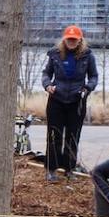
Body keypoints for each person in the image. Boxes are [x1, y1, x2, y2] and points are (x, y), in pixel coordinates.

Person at [42, 25, 98, 181]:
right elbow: (46, 73)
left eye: (74, 39)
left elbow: (93, 76)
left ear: (80, 40)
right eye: (69, 39)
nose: (71, 42)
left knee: (72, 137)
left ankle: (69, 168)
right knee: (54, 136)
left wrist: (87, 88)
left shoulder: (88, 56)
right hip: (56, 100)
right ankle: (51, 168)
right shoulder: (55, 54)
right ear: (64, 39)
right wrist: (47, 85)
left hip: (77, 101)